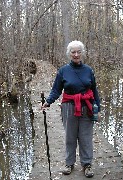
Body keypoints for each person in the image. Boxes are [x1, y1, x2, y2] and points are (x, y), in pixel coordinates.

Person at [42, 40, 101, 178]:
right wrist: (48, 102)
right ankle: (69, 163)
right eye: (73, 52)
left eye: (78, 52)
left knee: (86, 137)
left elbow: (94, 90)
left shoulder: (88, 70)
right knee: (70, 136)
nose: (76, 54)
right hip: (69, 106)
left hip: (87, 106)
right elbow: (56, 89)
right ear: (69, 54)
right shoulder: (63, 71)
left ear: (82, 53)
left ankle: (87, 164)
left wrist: (98, 107)